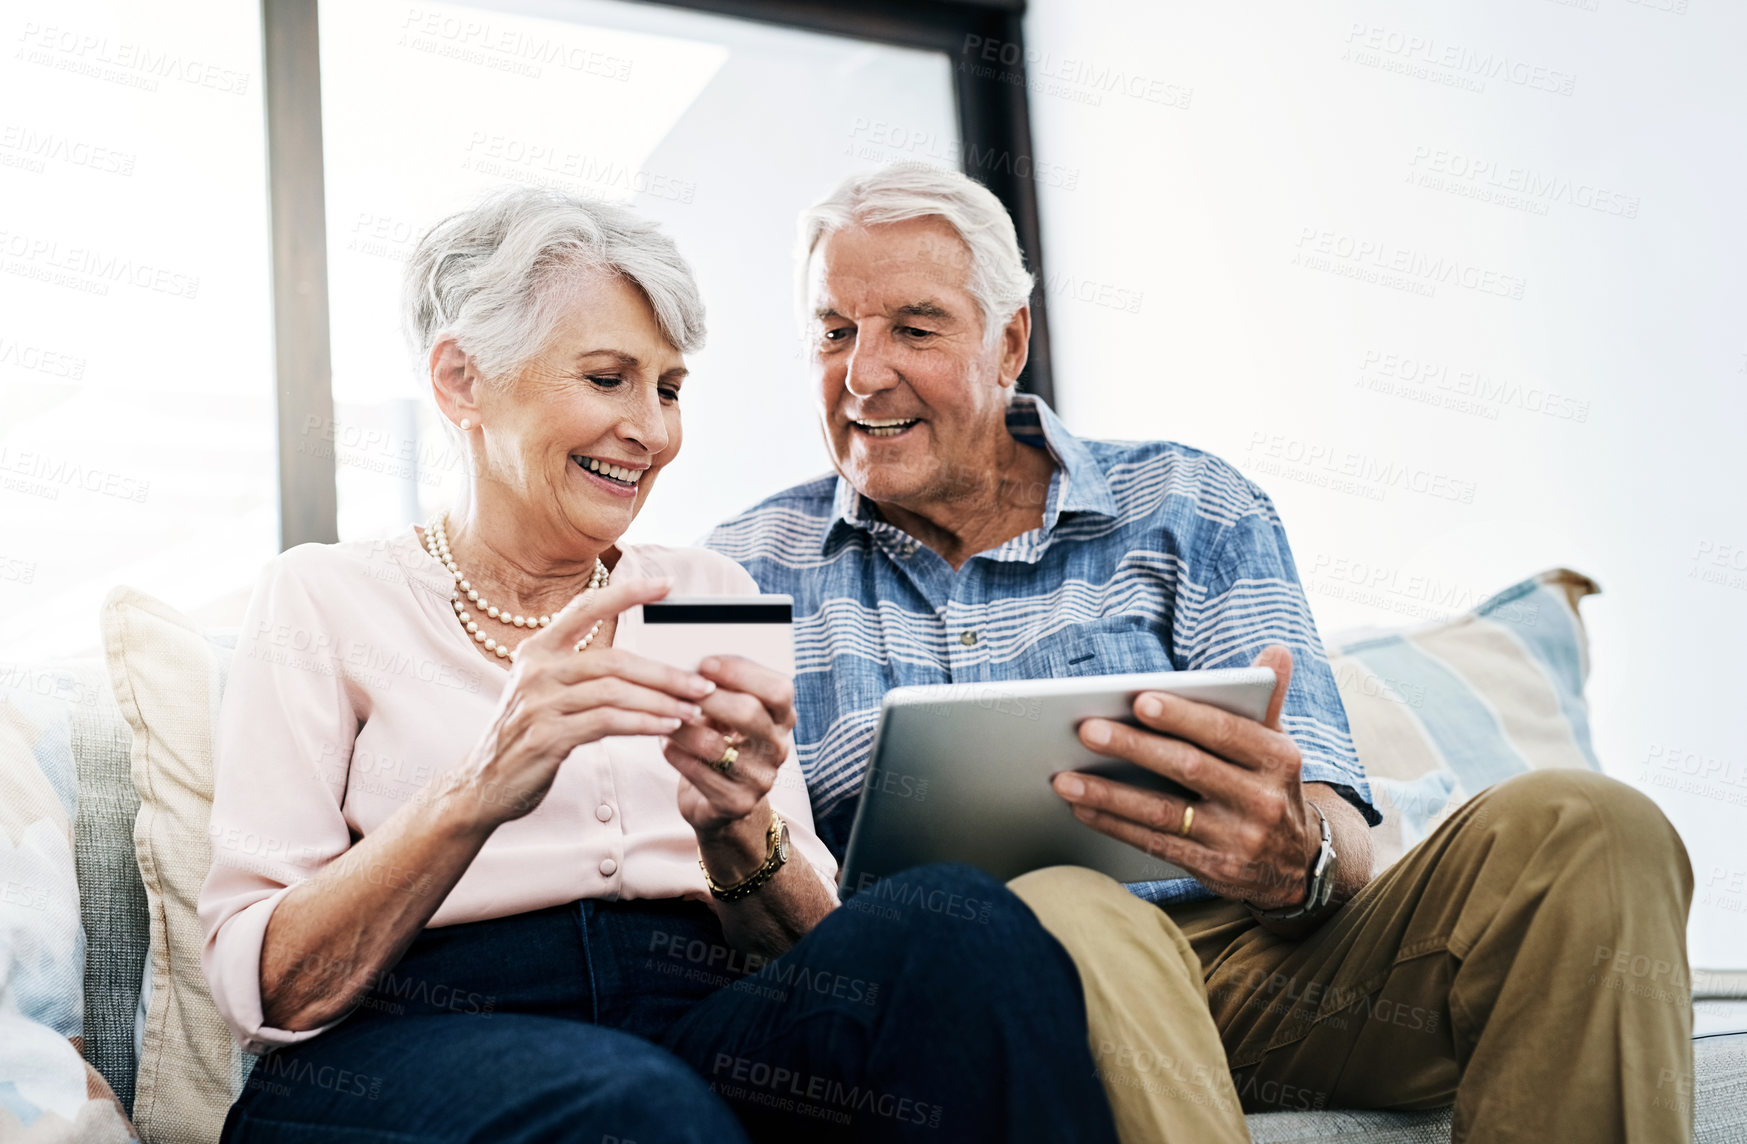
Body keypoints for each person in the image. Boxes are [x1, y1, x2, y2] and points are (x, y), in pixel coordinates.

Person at [706, 162, 1695, 1143]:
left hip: (1263, 969)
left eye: (913, 328)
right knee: (1063, 907)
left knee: (1588, 827)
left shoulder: (1192, 507)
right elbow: (730, 885)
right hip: (987, 990)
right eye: (833, 332)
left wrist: (1295, 847)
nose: (864, 370)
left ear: (1010, 341)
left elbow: (1338, 843)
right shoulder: (741, 572)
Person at [197, 186, 1122, 1143]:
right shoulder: (321, 597)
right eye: (607, 379)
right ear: (461, 380)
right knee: (630, 1103)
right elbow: (269, 987)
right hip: (412, 1047)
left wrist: (734, 827)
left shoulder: (706, 588)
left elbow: (811, 949)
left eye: (669, 388)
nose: (654, 431)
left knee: (959, 923)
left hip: (692, 1022)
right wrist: (476, 791)